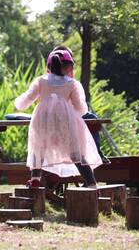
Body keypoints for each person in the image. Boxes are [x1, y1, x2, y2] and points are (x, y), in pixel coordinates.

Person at [14, 49, 102, 188]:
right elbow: (80, 108)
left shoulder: (41, 81)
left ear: (49, 66)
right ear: (67, 67)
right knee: (75, 151)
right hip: (65, 121)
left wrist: (17, 104)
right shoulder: (72, 83)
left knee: (39, 147)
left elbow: (27, 99)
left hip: (42, 119)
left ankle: (35, 178)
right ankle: (91, 183)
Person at [51, 45, 109, 164]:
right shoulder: (68, 82)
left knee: (90, 120)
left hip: (59, 117)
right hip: (62, 118)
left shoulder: (45, 80)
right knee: (90, 118)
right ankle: (96, 152)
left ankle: (94, 152)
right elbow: (79, 108)